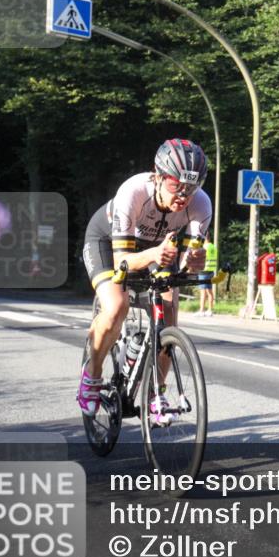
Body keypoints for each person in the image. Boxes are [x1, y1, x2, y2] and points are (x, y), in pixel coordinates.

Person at [79, 138, 211, 425]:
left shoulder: (201, 204)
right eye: (177, 186)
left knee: (169, 318)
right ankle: (92, 375)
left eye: (193, 187)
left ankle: (157, 393)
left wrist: (194, 261)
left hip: (158, 250)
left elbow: (188, 257)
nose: (184, 196)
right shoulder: (134, 191)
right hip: (109, 243)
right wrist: (152, 253)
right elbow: (121, 262)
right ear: (159, 175)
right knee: (116, 306)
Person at [197, 235, 218, 317]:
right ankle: (210, 310)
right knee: (209, 291)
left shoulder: (204, 247)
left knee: (203, 292)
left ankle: (201, 310)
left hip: (204, 271)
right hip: (211, 271)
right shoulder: (213, 247)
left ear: (204, 238)